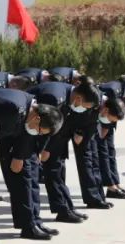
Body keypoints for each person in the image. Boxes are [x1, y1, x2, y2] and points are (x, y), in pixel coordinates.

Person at [0, 88, 63, 243]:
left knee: (29, 179)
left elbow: (24, 130)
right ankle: (26, 224)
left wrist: (23, 155)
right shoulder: (12, 108)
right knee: (14, 181)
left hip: (3, 137)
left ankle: (32, 221)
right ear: (37, 119)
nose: (39, 134)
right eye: (40, 131)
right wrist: (17, 156)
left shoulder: (29, 108)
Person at [28, 78, 101, 224]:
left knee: (58, 171)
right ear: (79, 98)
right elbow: (44, 123)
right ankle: (62, 210)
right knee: (52, 172)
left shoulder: (71, 97)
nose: (84, 110)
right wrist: (44, 149)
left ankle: (66, 207)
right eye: (85, 106)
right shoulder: (54, 98)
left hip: (57, 137)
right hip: (36, 135)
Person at [73, 96, 125, 210]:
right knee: (86, 162)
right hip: (79, 129)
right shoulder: (93, 101)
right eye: (110, 119)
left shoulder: (105, 105)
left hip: (91, 129)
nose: (109, 122)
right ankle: (92, 199)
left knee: (94, 161)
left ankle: (99, 196)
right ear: (106, 110)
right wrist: (79, 132)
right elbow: (79, 116)